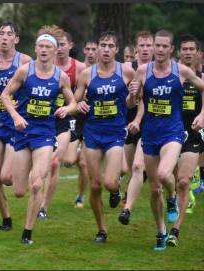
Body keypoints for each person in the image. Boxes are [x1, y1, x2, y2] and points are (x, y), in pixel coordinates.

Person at [1, 25, 77, 244]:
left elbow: (72, 102)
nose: (44, 50)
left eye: (48, 47)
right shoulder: (25, 70)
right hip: (23, 131)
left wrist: (67, 109)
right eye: (41, 46)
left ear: (55, 51)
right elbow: (6, 95)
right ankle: (29, 176)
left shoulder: (61, 76)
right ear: (36, 48)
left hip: (45, 133)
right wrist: (15, 116)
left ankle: (27, 232)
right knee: (19, 191)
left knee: (36, 185)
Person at [134, 30, 204, 250]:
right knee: (154, 189)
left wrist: (203, 115)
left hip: (174, 133)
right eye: (157, 45)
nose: (160, 49)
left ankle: (173, 196)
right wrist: (132, 93)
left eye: (165, 46)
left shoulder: (181, 71)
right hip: (150, 134)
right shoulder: (143, 71)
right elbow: (131, 102)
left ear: (171, 49)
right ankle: (161, 231)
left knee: (165, 175)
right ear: (153, 46)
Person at [74, 31, 138, 244]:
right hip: (92, 132)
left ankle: (116, 190)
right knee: (94, 186)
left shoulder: (127, 72)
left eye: (111, 45)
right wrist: (80, 104)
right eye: (103, 45)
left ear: (117, 49)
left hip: (115, 133)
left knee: (110, 183)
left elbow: (131, 104)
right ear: (98, 47)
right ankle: (101, 230)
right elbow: (74, 103)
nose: (106, 49)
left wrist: (133, 96)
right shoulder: (86, 74)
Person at [0, 22, 32, 231]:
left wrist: (24, 104)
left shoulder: (24, 61)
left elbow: (35, 88)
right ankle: (6, 219)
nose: (4, 37)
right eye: (0, 33)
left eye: (8, 34)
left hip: (16, 123)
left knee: (7, 178)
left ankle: (28, 171)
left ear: (16, 40)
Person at [38, 32, 86, 219]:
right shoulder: (38, 66)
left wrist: (78, 103)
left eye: (61, 44)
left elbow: (90, 85)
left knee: (57, 162)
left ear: (67, 46)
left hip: (65, 119)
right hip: (40, 119)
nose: (57, 48)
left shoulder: (79, 67)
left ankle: (43, 207)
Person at [165, 34, 204, 247]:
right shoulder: (169, 74)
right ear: (178, 52)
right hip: (168, 134)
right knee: (166, 181)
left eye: (192, 49)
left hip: (192, 136)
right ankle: (170, 203)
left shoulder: (201, 78)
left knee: (183, 181)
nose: (188, 52)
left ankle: (175, 230)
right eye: (184, 49)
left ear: (198, 53)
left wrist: (202, 116)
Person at [118, 31, 154, 223]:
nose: (146, 49)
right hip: (129, 124)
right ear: (136, 49)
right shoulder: (128, 69)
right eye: (142, 46)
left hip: (150, 125)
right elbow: (128, 102)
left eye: (149, 45)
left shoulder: (160, 70)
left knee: (139, 166)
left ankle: (127, 209)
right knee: (132, 169)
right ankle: (126, 192)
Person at [63, 37, 99, 208]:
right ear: (84, 50)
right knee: (69, 161)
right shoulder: (79, 69)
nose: (91, 53)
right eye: (89, 49)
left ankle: (80, 197)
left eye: (94, 49)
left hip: (94, 118)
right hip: (77, 116)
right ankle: (78, 151)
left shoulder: (104, 70)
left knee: (83, 163)